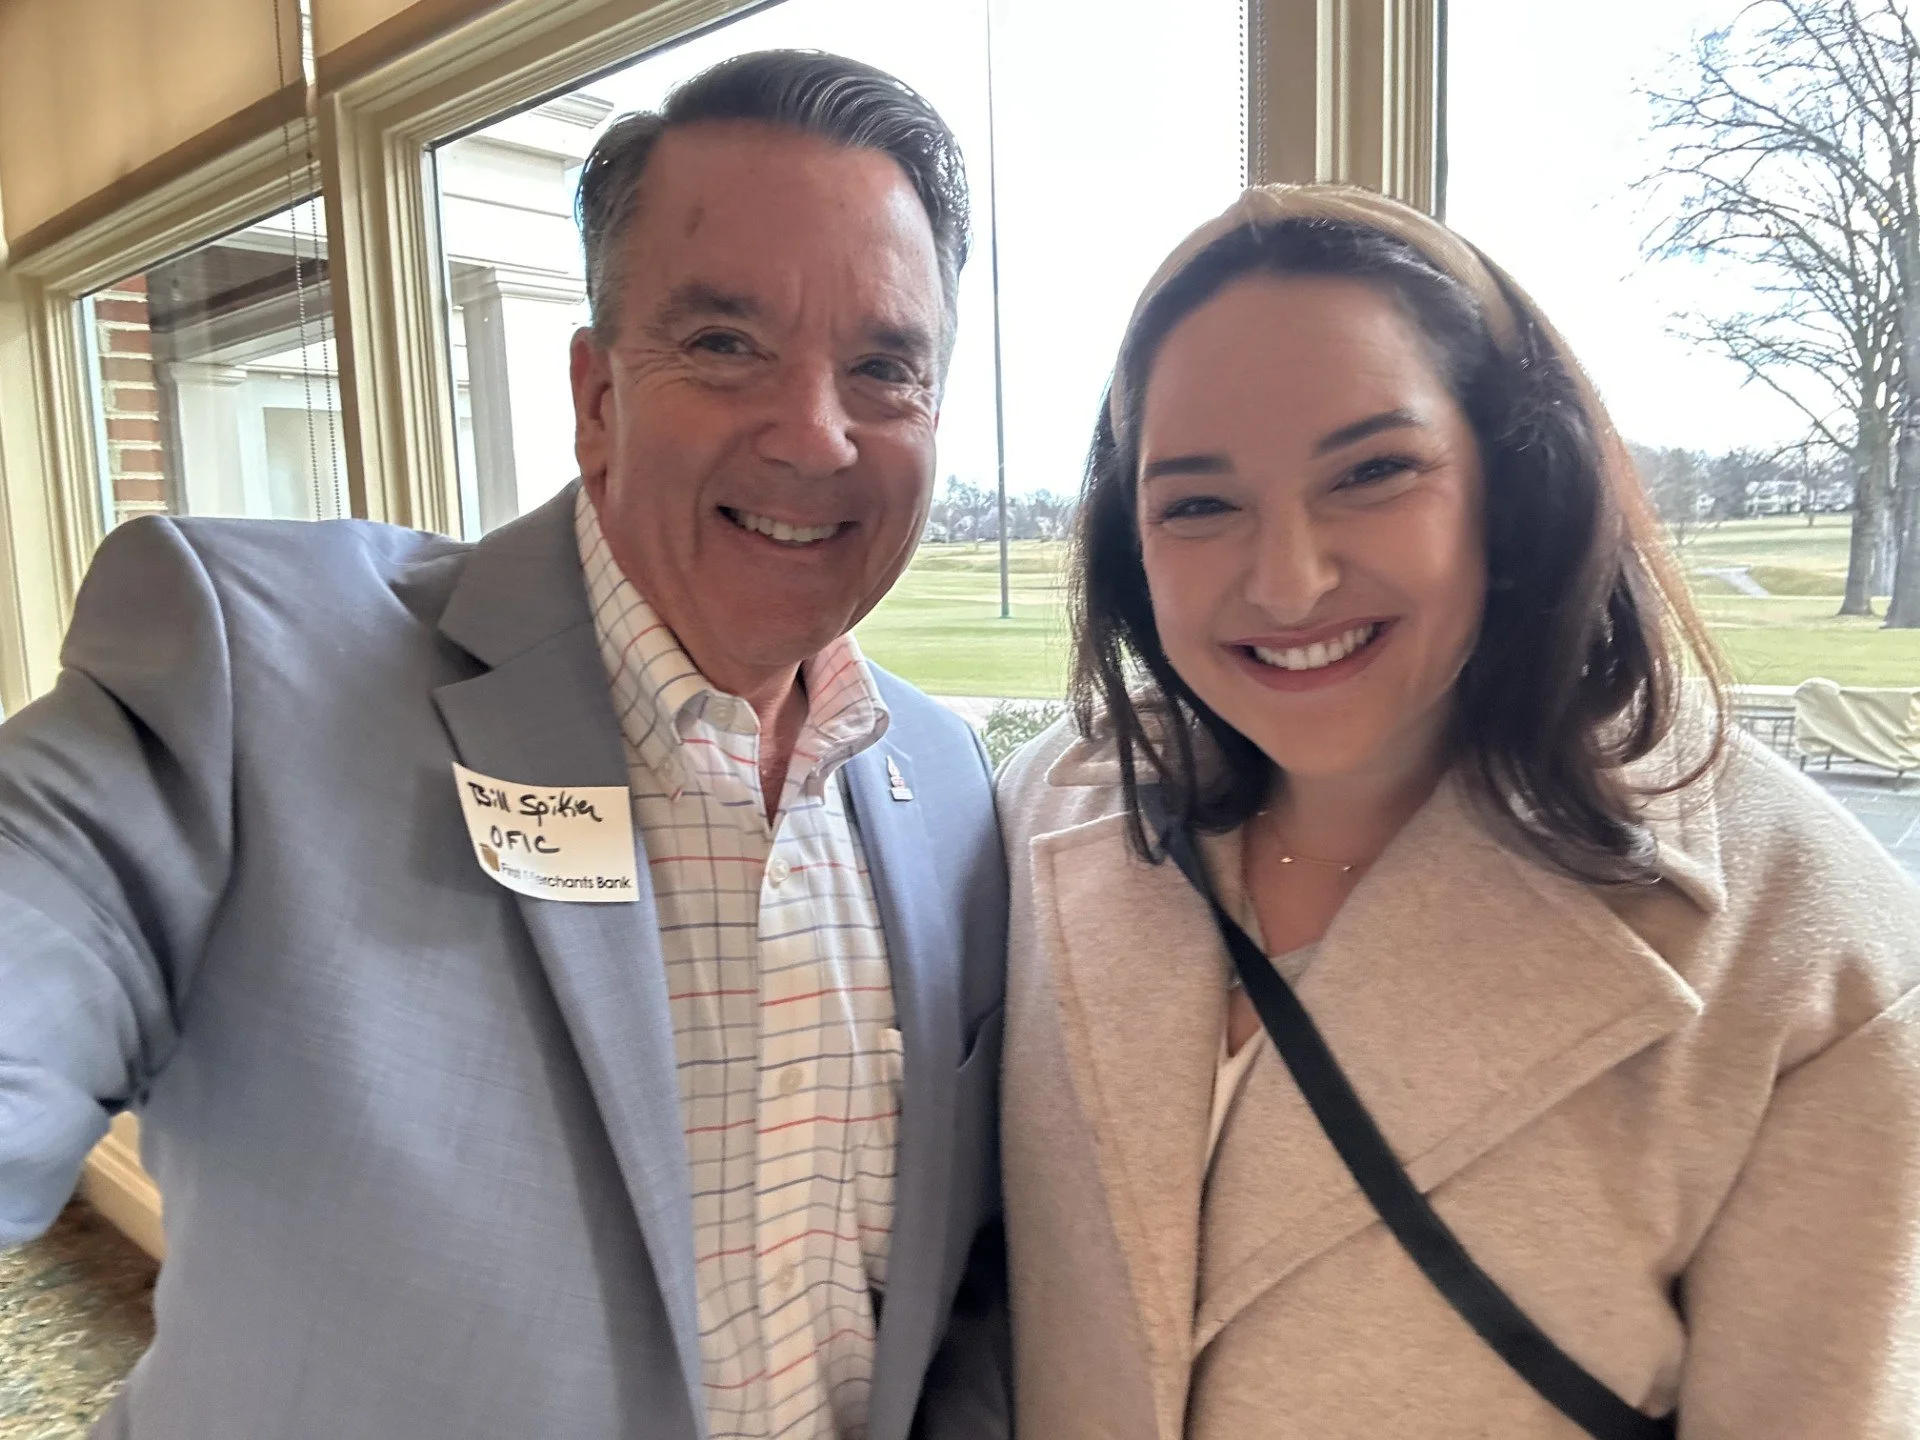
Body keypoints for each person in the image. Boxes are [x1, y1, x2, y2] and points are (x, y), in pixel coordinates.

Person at [0, 50, 1008, 1440]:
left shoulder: (951, 789)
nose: (817, 434)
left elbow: (969, 1293)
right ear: (597, 399)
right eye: (726, 344)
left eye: (886, 368)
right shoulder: (253, 676)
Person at [998, 184, 1920, 1439]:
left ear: (1513, 486)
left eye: (1374, 472)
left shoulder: (1811, 950)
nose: (1289, 578)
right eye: (1199, 503)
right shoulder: (1047, 811)